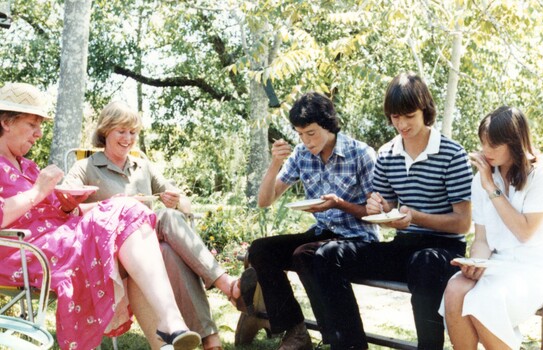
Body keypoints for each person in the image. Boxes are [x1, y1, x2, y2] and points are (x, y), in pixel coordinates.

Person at [0, 82, 201, 350]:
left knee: (129, 218)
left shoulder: (27, 165)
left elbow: (53, 213)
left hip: (59, 239)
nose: (38, 134)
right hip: (25, 252)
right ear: (6, 122)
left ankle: (168, 332)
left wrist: (77, 204)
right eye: (32, 124)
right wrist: (38, 191)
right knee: (128, 222)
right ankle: (172, 322)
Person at [63, 101, 243, 350]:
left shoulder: (143, 167)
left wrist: (177, 200)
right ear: (105, 131)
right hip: (112, 254)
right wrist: (115, 204)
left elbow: (186, 207)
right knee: (165, 218)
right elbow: (66, 211)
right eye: (121, 131)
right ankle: (227, 287)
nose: (128, 138)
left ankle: (210, 342)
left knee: (169, 240)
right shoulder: (85, 168)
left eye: (133, 132)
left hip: (149, 250)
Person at [312, 71, 473, 349]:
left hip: (443, 252)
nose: (402, 124)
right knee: (327, 255)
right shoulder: (386, 154)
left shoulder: (452, 154)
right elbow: (386, 207)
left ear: (425, 110)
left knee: (423, 263)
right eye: (395, 117)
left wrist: (415, 217)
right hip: (404, 246)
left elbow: (462, 224)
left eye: (408, 115)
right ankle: (350, 345)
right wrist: (380, 207)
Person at [249, 91, 378, 350]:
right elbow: (265, 201)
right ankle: (296, 330)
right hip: (322, 234)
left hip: (357, 239)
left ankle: (345, 342)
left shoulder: (360, 154)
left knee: (305, 254)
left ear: (328, 125)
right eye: (300, 134)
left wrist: (339, 203)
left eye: (311, 133)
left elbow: (375, 213)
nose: (306, 141)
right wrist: (275, 163)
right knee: (261, 250)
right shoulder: (301, 155)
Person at [441, 106, 543, 350]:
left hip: (536, 267)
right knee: (454, 289)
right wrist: (475, 264)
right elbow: (482, 239)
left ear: (515, 143)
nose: (486, 151)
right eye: (483, 143)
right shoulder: (482, 177)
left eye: (493, 145)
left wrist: (492, 189)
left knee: (483, 301)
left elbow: (524, 232)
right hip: (497, 264)